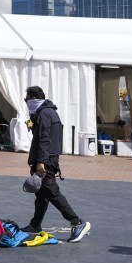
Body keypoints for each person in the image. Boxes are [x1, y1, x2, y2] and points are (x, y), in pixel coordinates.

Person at [24, 85, 91, 242]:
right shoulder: (48, 112)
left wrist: (41, 161)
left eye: (27, 99)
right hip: (49, 157)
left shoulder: (44, 114)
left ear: (34, 98)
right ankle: (35, 224)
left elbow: (45, 139)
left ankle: (77, 222)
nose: (26, 102)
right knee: (41, 194)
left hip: (46, 160)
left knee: (51, 192)